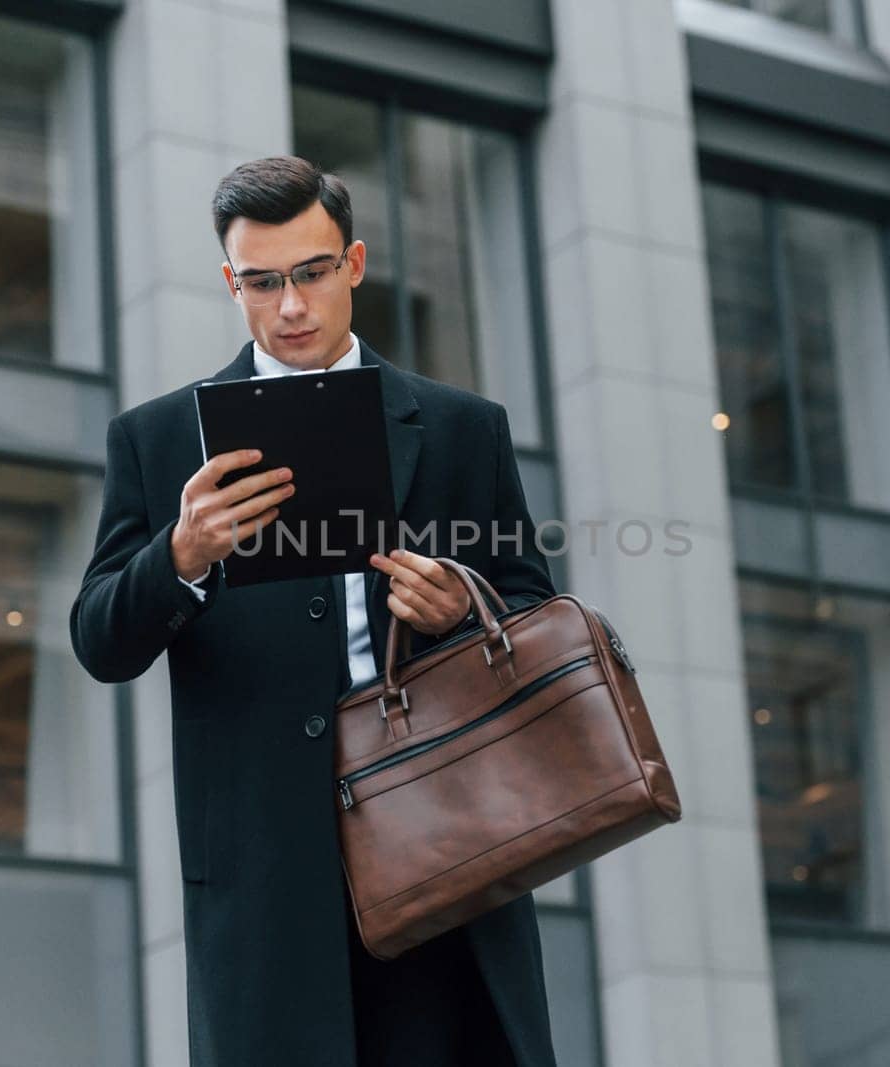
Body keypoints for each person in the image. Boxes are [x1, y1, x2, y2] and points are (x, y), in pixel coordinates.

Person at [69, 156, 560, 1066]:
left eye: (311, 272)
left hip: (441, 833)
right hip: (263, 865)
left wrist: (459, 604)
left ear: (355, 263)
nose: (290, 306)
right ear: (231, 282)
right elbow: (99, 639)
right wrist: (179, 557)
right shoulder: (159, 438)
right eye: (262, 282)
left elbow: (531, 607)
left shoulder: (464, 429)